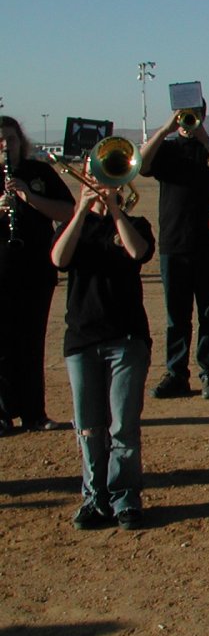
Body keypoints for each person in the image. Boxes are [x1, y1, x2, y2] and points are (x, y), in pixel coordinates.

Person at [51, 165, 155, 530]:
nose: (99, 184)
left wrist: (114, 210)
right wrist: (81, 210)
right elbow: (59, 260)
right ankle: (94, 498)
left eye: (107, 178)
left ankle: (125, 498)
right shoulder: (74, 227)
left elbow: (138, 252)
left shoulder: (136, 223)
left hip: (126, 339)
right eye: (92, 177)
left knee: (123, 426)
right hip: (81, 340)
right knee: (89, 428)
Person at [139, 102, 209, 400]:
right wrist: (165, 129)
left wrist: (206, 139)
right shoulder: (167, 149)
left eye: (193, 113)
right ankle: (177, 374)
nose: (187, 120)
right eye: (182, 114)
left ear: (204, 115)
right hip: (174, 244)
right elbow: (140, 166)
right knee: (176, 316)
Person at [0, 115, 75, 434]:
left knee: (31, 340)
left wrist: (28, 197)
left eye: (11, 139)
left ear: (21, 141)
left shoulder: (39, 172)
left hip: (34, 269)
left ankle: (34, 412)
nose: (6, 146)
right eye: (0, 141)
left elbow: (68, 212)